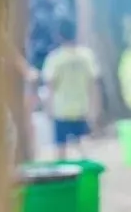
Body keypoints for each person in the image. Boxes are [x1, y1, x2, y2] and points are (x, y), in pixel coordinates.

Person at [41, 19, 100, 160]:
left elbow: (49, 87)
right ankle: (85, 177)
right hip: (82, 109)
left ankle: (63, 180)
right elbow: (94, 85)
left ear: (58, 36)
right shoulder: (87, 56)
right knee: (84, 149)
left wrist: (48, 109)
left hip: (61, 110)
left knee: (61, 150)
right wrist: (95, 109)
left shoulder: (54, 59)